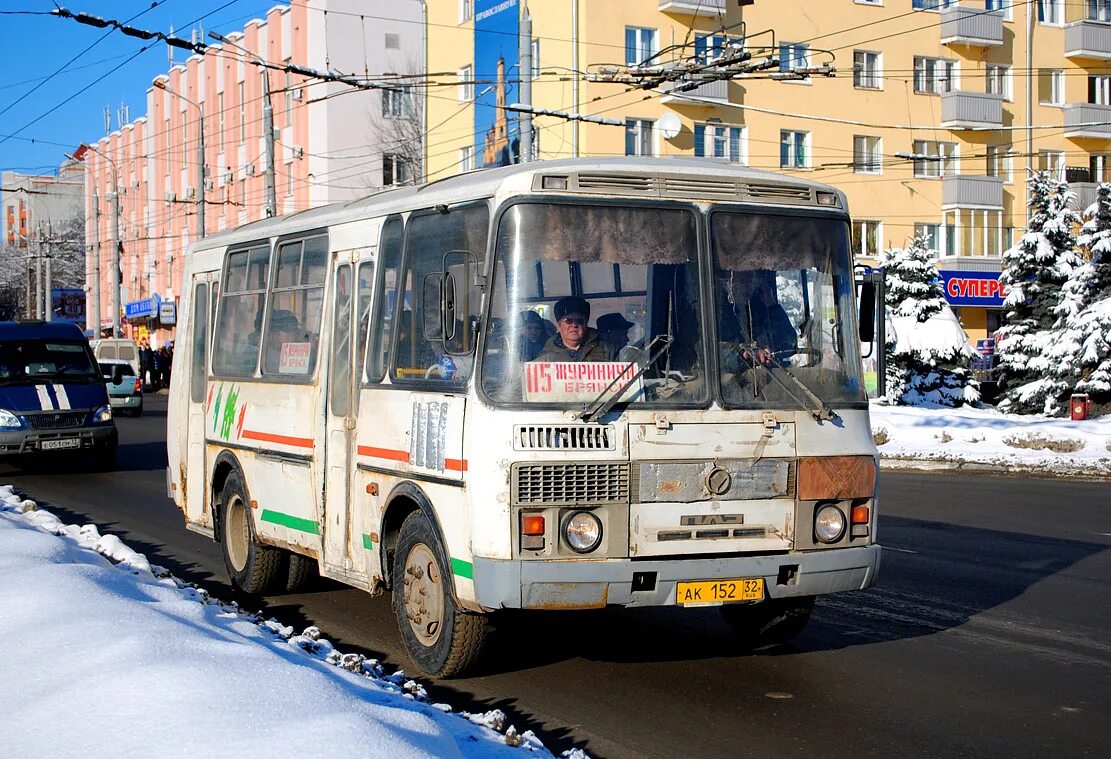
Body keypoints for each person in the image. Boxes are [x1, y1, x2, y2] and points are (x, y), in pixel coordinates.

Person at [534, 296, 614, 362]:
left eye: (580, 321)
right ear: (559, 325)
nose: (574, 325)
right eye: (568, 321)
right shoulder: (545, 357)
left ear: (586, 324)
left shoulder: (607, 350)